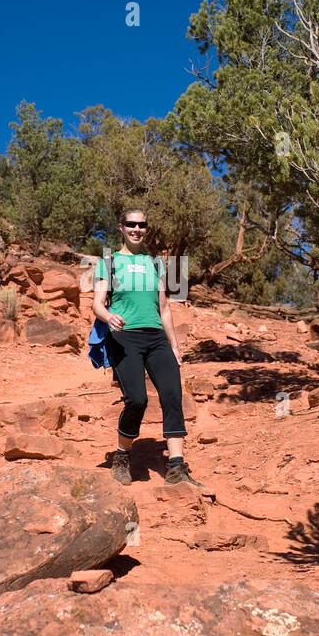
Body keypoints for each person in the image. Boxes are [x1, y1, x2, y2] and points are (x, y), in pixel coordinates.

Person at [92, 208, 206, 490]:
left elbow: (164, 307)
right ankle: (121, 456)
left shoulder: (154, 263)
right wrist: (108, 317)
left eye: (142, 225)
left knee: (171, 394)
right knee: (137, 399)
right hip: (124, 337)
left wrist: (175, 346)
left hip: (156, 338)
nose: (137, 229)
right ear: (121, 227)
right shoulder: (108, 262)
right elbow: (96, 303)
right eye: (131, 224)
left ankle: (176, 467)